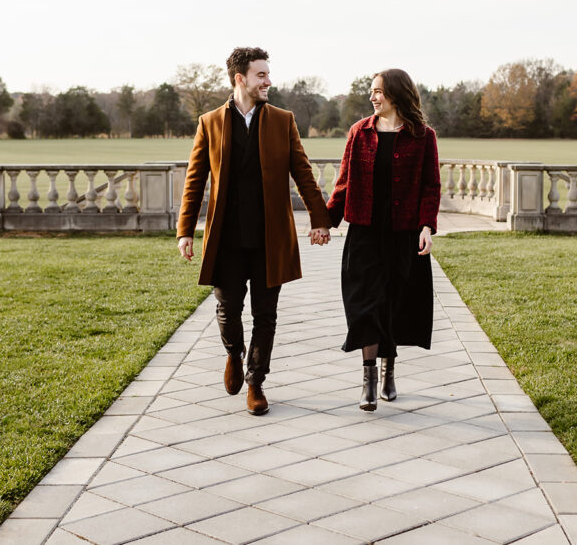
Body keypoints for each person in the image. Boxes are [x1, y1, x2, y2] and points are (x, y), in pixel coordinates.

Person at [177, 47, 332, 415]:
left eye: (268, 73)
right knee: (228, 311)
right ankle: (234, 353)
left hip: (269, 238)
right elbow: (195, 179)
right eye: (261, 75)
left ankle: (256, 383)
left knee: (266, 315)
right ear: (240, 79)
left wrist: (320, 218)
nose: (268, 81)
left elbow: (303, 172)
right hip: (227, 238)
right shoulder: (210, 122)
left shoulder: (283, 120)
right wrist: (186, 230)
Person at [326, 69, 441, 411]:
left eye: (378, 91)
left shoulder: (423, 136)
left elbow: (430, 186)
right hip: (364, 233)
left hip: (403, 234)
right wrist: (325, 223)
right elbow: (344, 183)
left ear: (396, 94)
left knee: (393, 305)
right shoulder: (359, 133)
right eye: (371, 92)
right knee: (365, 305)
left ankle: (389, 371)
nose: (372, 97)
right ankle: (369, 381)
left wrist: (426, 226)